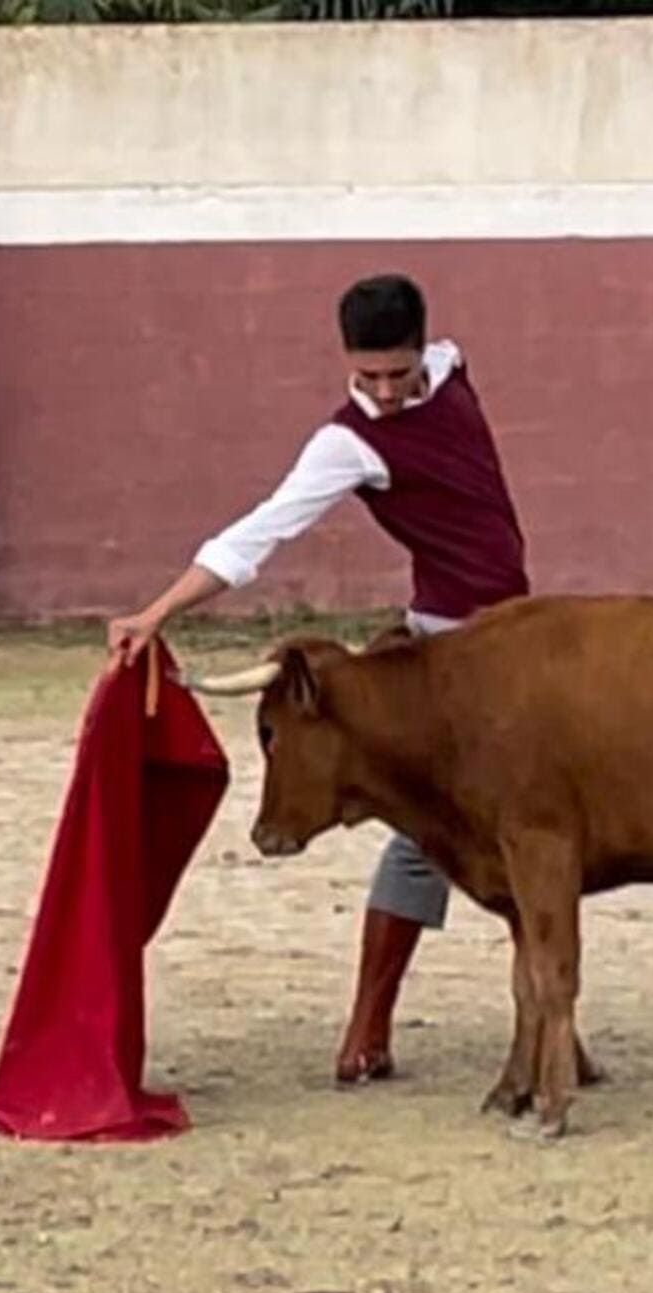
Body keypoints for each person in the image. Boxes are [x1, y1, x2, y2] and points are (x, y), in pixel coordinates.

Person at [106, 273, 530, 1085]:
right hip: (454, 648)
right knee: (436, 834)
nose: (383, 391)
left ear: (424, 353)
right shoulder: (347, 443)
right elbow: (256, 535)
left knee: (531, 831)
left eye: (397, 375)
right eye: (366, 376)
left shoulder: (450, 368)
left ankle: (544, 1029)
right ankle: (365, 1035)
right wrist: (157, 612)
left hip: (517, 645)